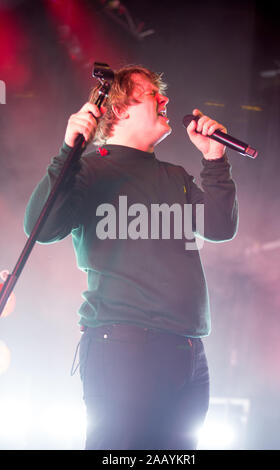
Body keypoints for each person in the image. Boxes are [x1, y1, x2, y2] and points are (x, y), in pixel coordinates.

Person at [24, 65, 238, 450]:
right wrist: (67, 153)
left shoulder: (176, 177)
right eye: (153, 93)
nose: (165, 99)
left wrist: (215, 160)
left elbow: (220, 226)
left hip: (187, 350)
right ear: (118, 110)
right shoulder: (89, 170)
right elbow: (41, 227)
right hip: (122, 345)